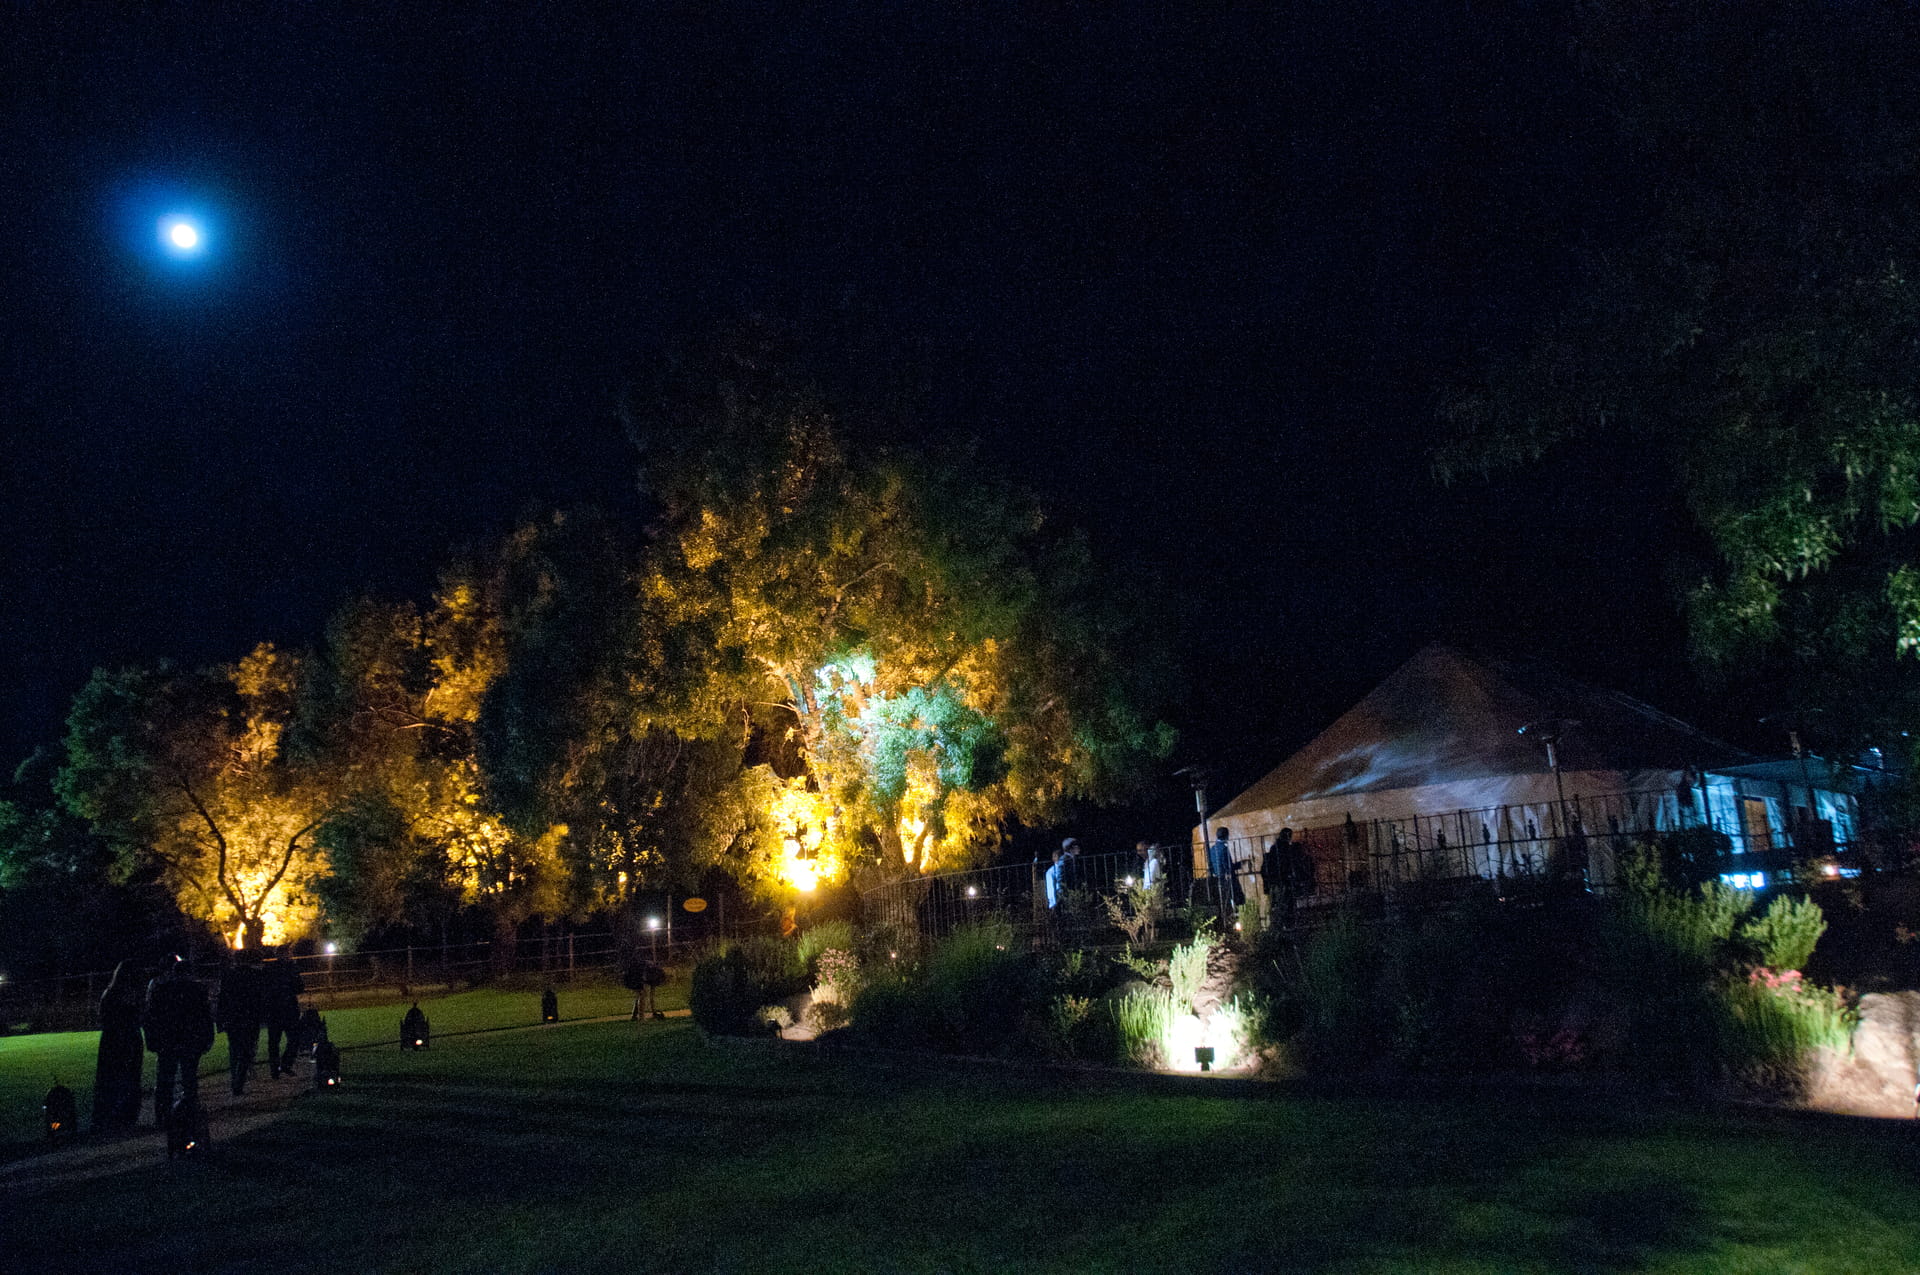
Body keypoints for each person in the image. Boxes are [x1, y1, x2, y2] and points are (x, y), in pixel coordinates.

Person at [145, 956, 214, 1127]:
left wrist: (153, 1039)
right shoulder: (198, 989)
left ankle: (162, 1115)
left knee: (165, 1078)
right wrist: (207, 1037)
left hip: (168, 1040)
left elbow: (151, 1016)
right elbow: (205, 1016)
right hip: (190, 1039)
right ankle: (190, 1112)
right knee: (189, 1077)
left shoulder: (161, 989)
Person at [92, 960, 146, 1131]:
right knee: (128, 1076)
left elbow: (103, 1017)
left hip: (114, 1039)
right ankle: (125, 1115)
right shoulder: (130, 995)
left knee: (112, 1077)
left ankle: (111, 1114)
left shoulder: (110, 993)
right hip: (127, 1039)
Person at [217, 949, 266, 1097]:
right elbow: (261, 998)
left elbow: (222, 999)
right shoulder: (256, 975)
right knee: (247, 1051)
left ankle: (235, 1079)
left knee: (234, 1049)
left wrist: (221, 1019)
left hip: (234, 1018)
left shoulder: (229, 976)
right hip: (250, 1018)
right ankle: (240, 1079)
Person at [264, 950, 305, 1079]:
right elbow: (299, 988)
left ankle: (275, 1069)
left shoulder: (269, 969)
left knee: (274, 1042)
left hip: (275, 1010)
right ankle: (285, 1064)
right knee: (293, 1039)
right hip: (287, 1009)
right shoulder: (291, 969)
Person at [1207, 826, 1243, 914]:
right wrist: (1240, 864)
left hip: (1217, 877)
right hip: (1227, 877)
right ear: (1226, 836)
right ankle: (1236, 911)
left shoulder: (1212, 849)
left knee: (1224, 898)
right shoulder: (1224, 848)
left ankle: (1231, 911)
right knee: (1234, 895)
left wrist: (1215, 872)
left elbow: (1210, 865)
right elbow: (1227, 865)